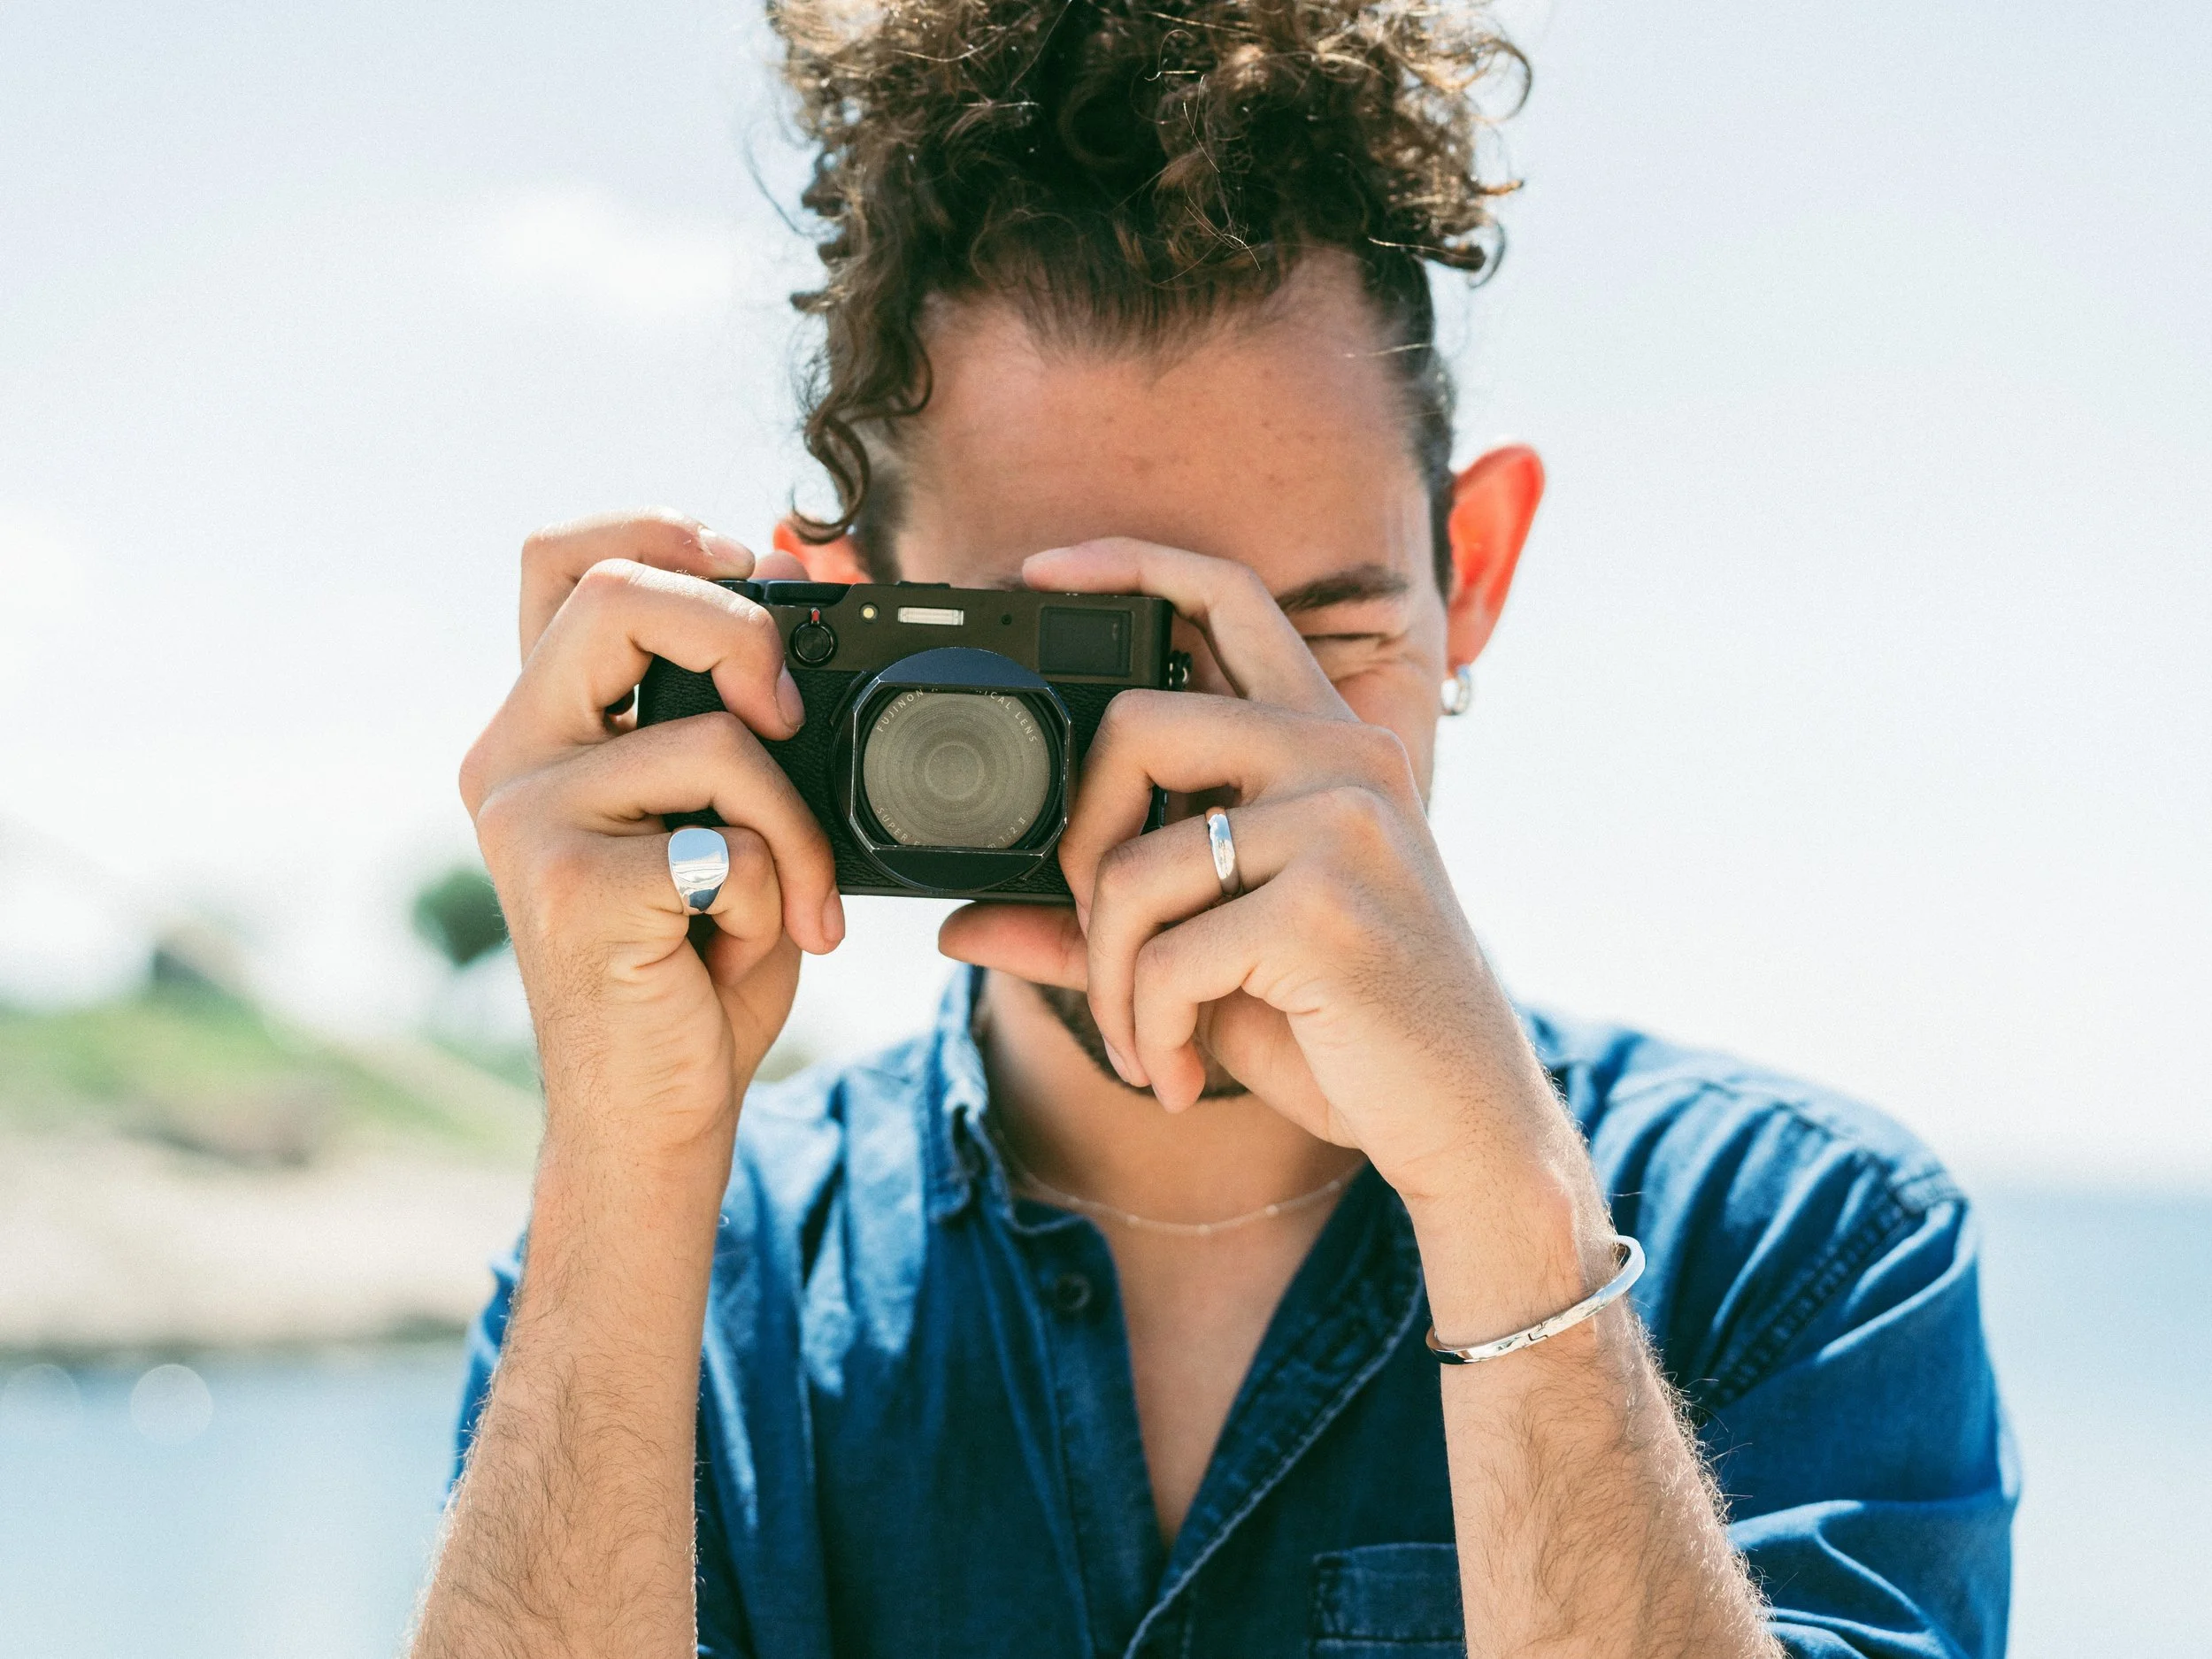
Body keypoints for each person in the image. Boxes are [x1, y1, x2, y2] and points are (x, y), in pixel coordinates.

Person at [412, 1, 2014, 1654]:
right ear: (831, 632)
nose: (1200, 770)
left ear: (1474, 571)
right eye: (1071, 667)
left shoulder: (1805, 1240)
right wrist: (627, 1152)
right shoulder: (702, 1282)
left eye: (1312, 646)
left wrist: (1506, 1218)